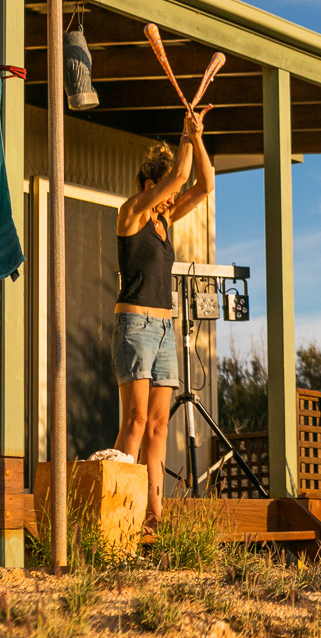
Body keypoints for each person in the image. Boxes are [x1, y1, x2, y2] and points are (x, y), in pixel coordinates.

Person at [112, 107, 214, 530]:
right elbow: (180, 179)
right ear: (149, 185)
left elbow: (203, 185)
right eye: (165, 191)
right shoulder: (132, 213)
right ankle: (117, 515)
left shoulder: (164, 220)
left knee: (158, 427)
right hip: (134, 326)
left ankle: (153, 519)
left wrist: (198, 137)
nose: (173, 199)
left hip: (163, 328)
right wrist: (184, 135)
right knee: (134, 422)